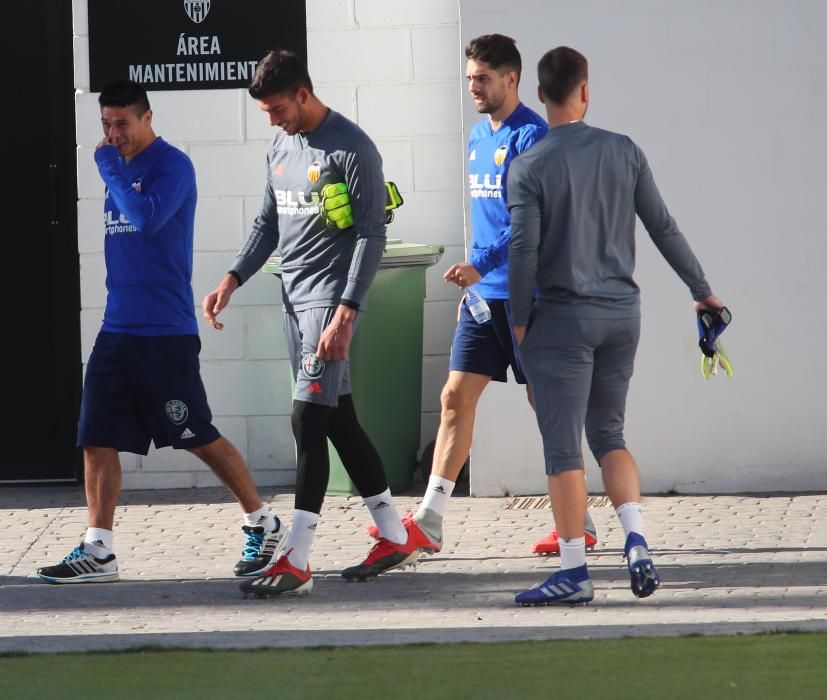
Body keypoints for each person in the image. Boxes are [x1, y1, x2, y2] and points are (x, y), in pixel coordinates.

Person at [202, 49, 433, 598]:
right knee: (337, 421)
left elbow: (372, 235)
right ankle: (396, 534)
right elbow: (267, 222)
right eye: (265, 111)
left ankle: (298, 558)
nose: (272, 119)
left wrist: (347, 311)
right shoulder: (280, 143)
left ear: (303, 94)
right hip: (292, 299)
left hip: (329, 305)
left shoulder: (353, 148)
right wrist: (232, 278)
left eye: (278, 108)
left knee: (307, 420)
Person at [37, 80, 286, 584]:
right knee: (96, 437)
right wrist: (113, 168)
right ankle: (99, 549)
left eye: (122, 123)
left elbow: (147, 220)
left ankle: (265, 522)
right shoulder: (118, 164)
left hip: (165, 333)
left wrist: (107, 168)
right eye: (105, 124)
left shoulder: (172, 166)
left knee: (195, 434)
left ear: (147, 118)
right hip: (117, 329)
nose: (112, 135)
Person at [508, 47, 727, 605]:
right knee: (610, 435)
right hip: (621, 317)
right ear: (585, 90)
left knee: (563, 449)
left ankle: (574, 573)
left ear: (540, 95)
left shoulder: (529, 165)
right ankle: (635, 540)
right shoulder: (623, 150)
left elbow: (523, 252)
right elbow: (663, 227)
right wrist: (701, 291)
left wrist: (518, 324)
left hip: (561, 319)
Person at [372, 34, 597, 555]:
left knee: (547, 407)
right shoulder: (477, 135)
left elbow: (528, 225)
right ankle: (429, 519)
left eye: (483, 78)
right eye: (470, 77)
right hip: (483, 301)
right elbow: (486, 217)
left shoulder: (532, 137)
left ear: (511, 79)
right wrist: (474, 283)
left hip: (530, 297)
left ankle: (580, 521)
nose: (473, 85)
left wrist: (479, 265)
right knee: (454, 398)